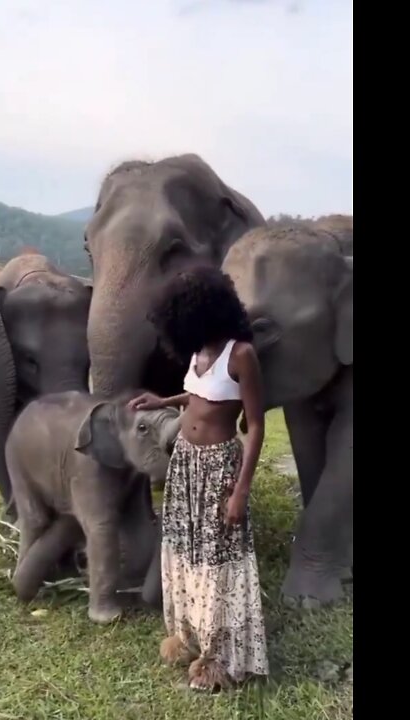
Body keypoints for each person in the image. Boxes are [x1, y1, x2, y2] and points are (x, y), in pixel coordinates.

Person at [129, 266, 269, 692]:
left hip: (217, 467)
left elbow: (257, 425)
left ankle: (220, 658)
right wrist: (163, 399)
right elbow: (198, 396)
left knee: (216, 558)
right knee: (187, 549)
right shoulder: (197, 351)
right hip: (186, 463)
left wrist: (241, 490)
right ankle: (190, 635)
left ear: (202, 311)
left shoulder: (241, 354)